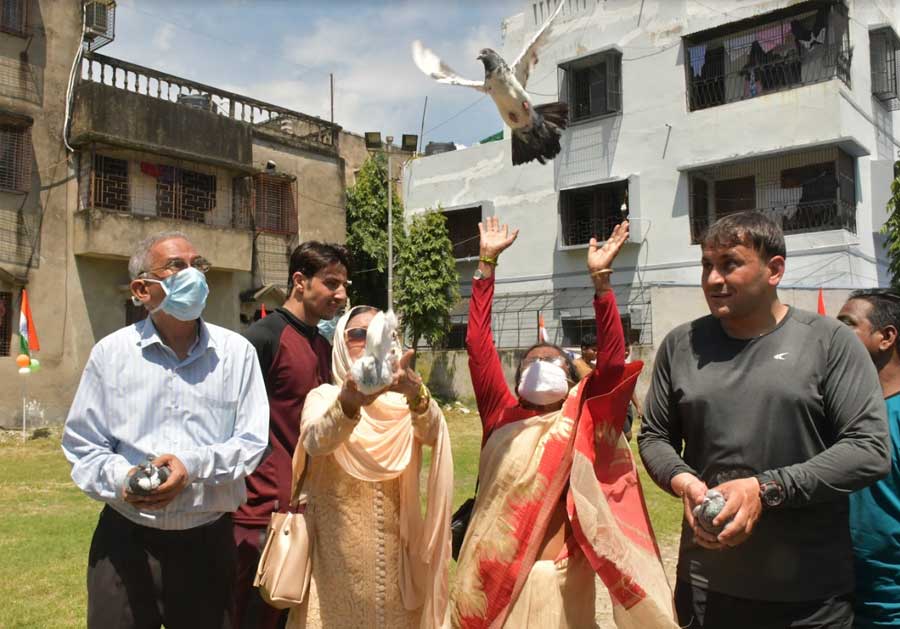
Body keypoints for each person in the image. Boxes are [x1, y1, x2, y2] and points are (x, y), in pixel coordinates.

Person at [638, 211, 890, 629]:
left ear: (774, 269)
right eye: (706, 265)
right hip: (706, 587)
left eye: (729, 264)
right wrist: (683, 480)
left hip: (809, 596)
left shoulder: (829, 342)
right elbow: (654, 436)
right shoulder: (681, 345)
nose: (713, 279)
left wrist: (765, 489)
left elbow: (869, 449)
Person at [453, 217, 676, 629]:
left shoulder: (579, 420)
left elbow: (611, 366)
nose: (540, 364)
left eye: (551, 360)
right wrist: (485, 265)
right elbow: (477, 344)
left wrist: (603, 283)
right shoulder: (501, 415)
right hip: (494, 576)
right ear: (517, 379)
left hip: (561, 577)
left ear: (571, 378)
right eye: (531, 361)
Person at [62, 231, 269, 629]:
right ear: (142, 288)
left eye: (199, 265)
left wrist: (190, 467)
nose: (194, 275)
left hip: (206, 542)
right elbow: (84, 444)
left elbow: (251, 442)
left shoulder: (236, 353)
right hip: (126, 539)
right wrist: (127, 479)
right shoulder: (111, 353)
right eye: (177, 266)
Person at [286, 305, 453, 629]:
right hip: (334, 565)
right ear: (340, 343)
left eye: (379, 332)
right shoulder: (325, 396)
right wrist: (349, 402)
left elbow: (433, 433)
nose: (368, 341)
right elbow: (317, 442)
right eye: (358, 334)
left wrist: (415, 393)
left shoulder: (406, 403)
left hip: (395, 563)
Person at [233, 242, 350, 629]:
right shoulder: (262, 339)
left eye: (344, 285)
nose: (341, 294)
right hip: (257, 515)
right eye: (331, 283)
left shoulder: (322, 346)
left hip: (304, 510)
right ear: (300, 281)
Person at [837, 289, 900, 628]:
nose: (833, 335)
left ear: (886, 337)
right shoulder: (837, 415)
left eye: (847, 325)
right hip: (833, 602)